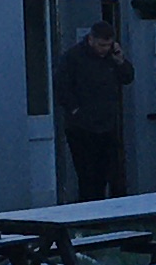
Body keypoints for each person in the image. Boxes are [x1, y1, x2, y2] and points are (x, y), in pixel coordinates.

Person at [54, 16, 134, 200]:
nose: (104, 49)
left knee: (108, 173)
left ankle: (108, 209)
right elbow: (61, 87)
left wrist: (120, 61)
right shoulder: (73, 57)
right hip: (81, 127)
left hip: (107, 125)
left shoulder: (111, 58)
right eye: (101, 45)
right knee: (88, 176)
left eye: (108, 45)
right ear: (90, 39)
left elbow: (128, 78)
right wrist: (75, 110)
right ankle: (89, 211)